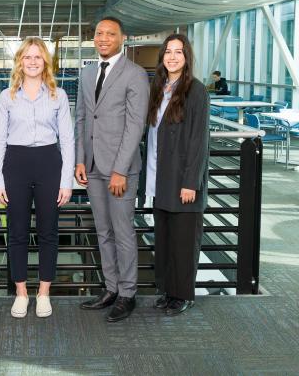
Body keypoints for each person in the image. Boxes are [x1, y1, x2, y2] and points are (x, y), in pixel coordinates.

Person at [0, 37, 74, 319]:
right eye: (28, 57)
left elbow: (68, 141)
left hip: (50, 162)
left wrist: (66, 181)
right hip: (16, 164)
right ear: (20, 62)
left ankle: (44, 293)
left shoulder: (58, 95)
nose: (33, 62)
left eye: (39, 57)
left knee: (49, 231)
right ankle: (22, 293)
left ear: (45, 62)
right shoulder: (7, 96)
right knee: (17, 232)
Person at [75, 16, 149, 322]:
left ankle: (128, 294)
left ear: (122, 38)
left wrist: (120, 170)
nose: (103, 38)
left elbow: (135, 125)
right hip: (92, 166)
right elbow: (80, 117)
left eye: (110, 34)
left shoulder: (135, 74)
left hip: (120, 169)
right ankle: (110, 288)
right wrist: (80, 158)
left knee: (122, 231)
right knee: (102, 232)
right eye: (99, 33)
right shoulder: (87, 73)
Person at [144, 34, 210, 316]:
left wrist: (190, 183)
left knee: (184, 242)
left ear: (187, 57)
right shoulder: (159, 88)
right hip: (160, 177)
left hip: (183, 181)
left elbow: (198, 140)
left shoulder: (195, 90)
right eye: (167, 52)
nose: (172, 57)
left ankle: (183, 295)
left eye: (178, 52)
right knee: (166, 239)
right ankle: (169, 292)